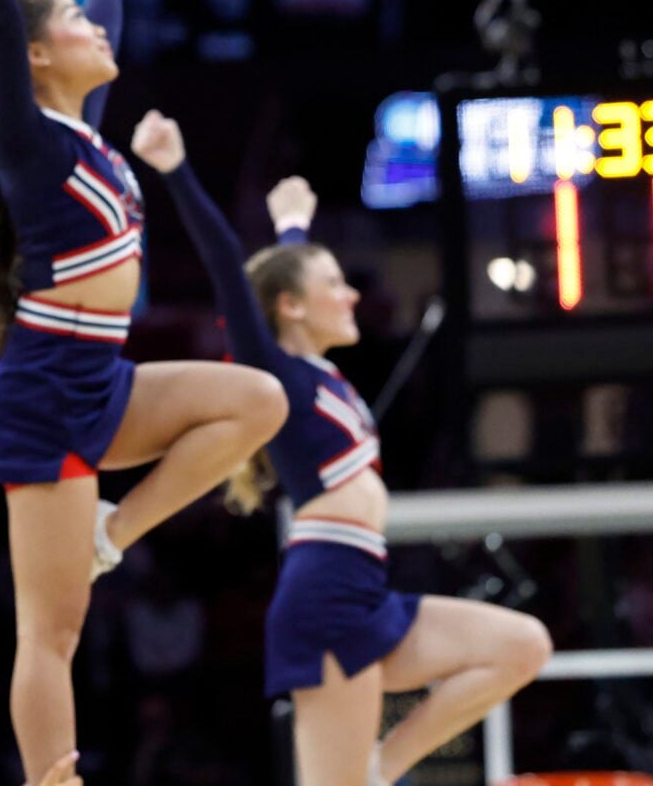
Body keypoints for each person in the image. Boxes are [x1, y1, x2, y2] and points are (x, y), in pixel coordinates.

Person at [0, 0, 285, 783]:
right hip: (44, 390)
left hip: (104, 380)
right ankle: (54, 780)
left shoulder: (90, 135)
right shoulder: (28, 141)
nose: (94, 28)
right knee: (53, 630)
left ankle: (113, 532)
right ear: (38, 56)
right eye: (73, 22)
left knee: (256, 403)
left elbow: (104, 24)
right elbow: (2, 20)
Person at [136, 139, 554, 786]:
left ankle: (383, 766)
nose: (353, 295)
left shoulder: (321, 375)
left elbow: (283, 281)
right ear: (292, 308)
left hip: (366, 587)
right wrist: (177, 170)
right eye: (336, 284)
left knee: (524, 645)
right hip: (325, 594)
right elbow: (230, 270)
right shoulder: (273, 377)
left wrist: (293, 227)